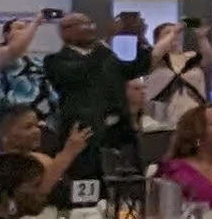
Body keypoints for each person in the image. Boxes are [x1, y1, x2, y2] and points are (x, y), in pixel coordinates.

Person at [35, 13, 140, 160]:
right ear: (66, 31)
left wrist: (137, 36)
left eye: (91, 24)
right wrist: (105, 40)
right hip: (84, 135)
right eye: (84, 25)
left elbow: (133, 70)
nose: (91, 28)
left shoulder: (107, 57)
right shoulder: (55, 61)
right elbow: (83, 71)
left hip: (118, 133)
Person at [138, 23, 212, 128]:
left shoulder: (191, 57)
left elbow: (208, 60)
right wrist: (173, 32)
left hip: (194, 112)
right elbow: (156, 53)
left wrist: (201, 37)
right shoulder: (155, 60)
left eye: (178, 33)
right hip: (162, 117)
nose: (175, 35)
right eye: (167, 33)